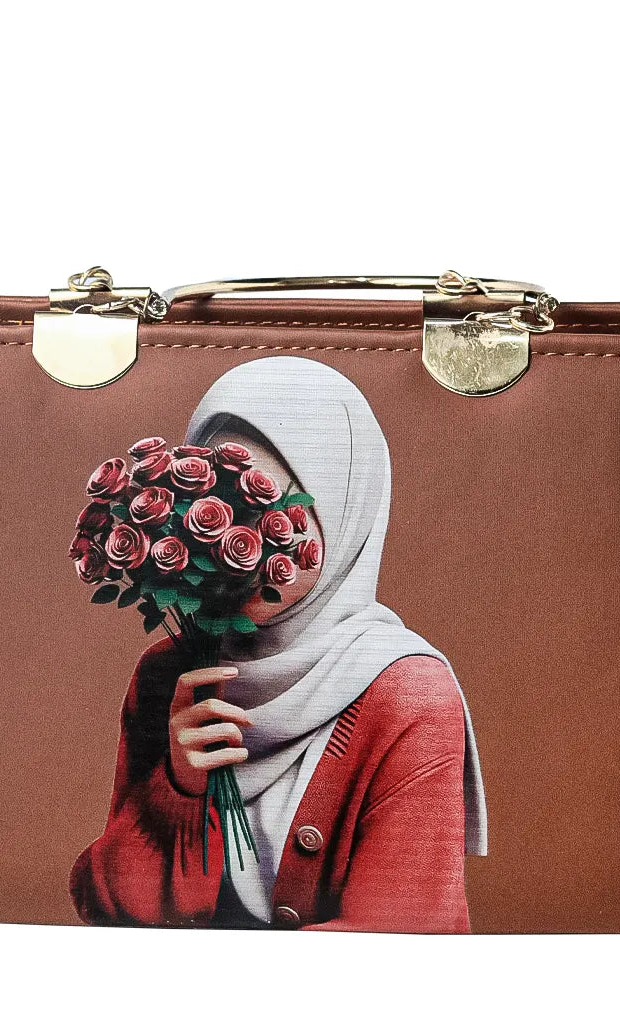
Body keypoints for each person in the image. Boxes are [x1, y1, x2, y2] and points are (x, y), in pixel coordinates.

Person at [70, 357, 486, 932]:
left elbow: (403, 944)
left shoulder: (409, 695)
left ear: (344, 513)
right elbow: (106, 907)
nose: (251, 541)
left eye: (278, 510)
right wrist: (177, 791)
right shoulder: (173, 673)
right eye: (225, 511)